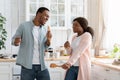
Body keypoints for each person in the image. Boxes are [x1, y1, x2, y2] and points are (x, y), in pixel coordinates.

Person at [12, 7, 52, 80]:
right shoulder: (24, 26)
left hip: (42, 66)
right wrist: (16, 41)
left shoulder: (45, 29)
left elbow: (46, 46)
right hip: (27, 66)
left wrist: (49, 39)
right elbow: (14, 41)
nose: (47, 18)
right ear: (39, 14)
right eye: (46, 16)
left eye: (48, 17)